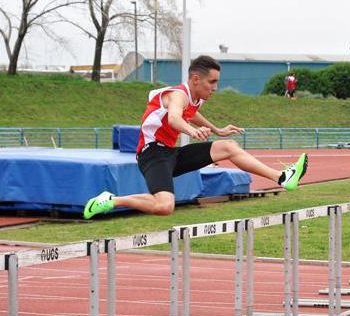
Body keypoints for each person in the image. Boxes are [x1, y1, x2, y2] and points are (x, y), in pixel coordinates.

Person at [83, 56, 309, 219]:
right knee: (164, 206)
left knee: (228, 146)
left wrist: (217, 130)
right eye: (212, 82)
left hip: (171, 153)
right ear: (195, 79)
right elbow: (174, 118)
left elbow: (193, 113)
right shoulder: (177, 95)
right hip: (152, 155)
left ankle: (282, 177)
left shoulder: (195, 98)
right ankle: (111, 200)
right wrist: (191, 131)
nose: (216, 88)